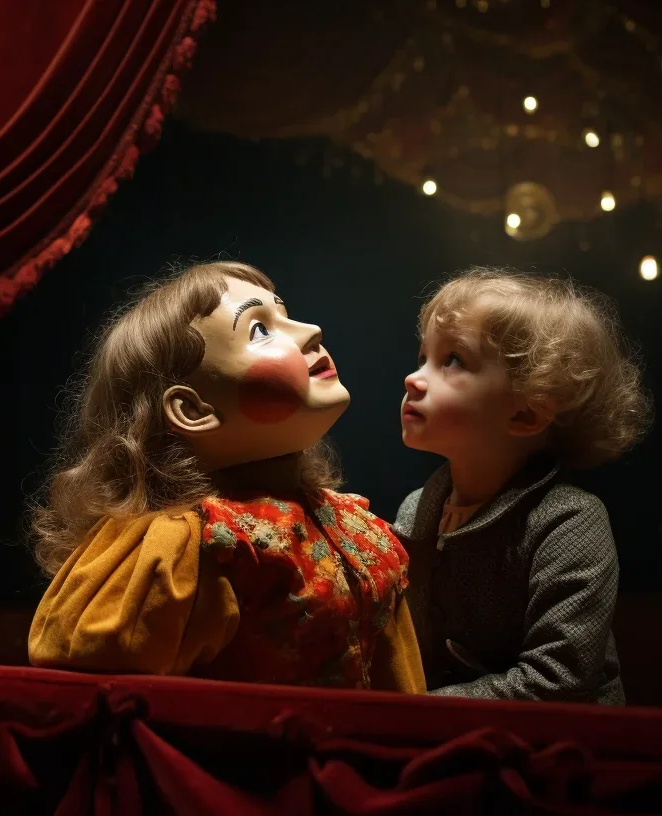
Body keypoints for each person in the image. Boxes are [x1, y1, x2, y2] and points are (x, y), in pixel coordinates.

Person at [28, 261, 424, 692]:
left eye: (286, 313)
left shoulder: (362, 534)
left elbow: (405, 699)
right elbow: (93, 681)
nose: (311, 329)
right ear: (193, 410)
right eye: (260, 329)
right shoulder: (192, 545)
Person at [395, 268, 650, 703]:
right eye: (423, 357)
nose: (414, 378)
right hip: (448, 741)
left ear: (527, 414)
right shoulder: (415, 510)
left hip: (560, 751)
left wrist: (417, 711)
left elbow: (560, 678)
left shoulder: (569, 521)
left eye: (452, 360)